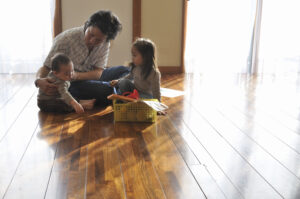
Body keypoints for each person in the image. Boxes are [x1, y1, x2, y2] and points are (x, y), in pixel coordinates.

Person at [35, 10, 130, 107]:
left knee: (127, 71)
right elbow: (46, 67)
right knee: (108, 90)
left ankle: (118, 93)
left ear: (106, 39)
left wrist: (76, 75)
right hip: (69, 84)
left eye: (98, 40)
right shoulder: (65, 40)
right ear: (87, 24)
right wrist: (38, 81)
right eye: (91, 34)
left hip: (88, 78)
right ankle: (122, 94)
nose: (92, 41)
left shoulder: (105, 43)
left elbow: (98, 72)